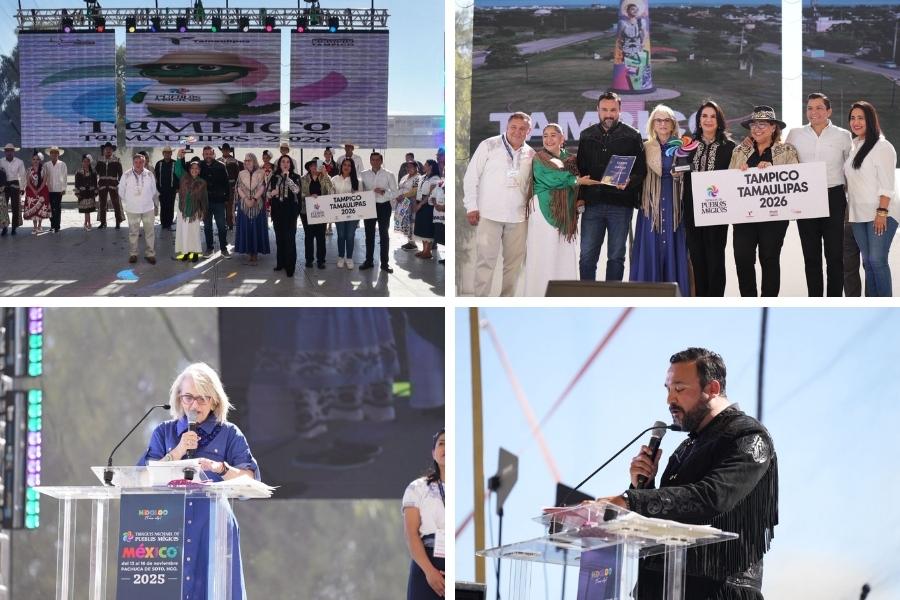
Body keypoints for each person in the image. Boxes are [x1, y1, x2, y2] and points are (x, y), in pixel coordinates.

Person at [598, 347, 778, 600]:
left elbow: (712, 497)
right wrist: (644, 486)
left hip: (717, 591)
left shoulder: (747, 435)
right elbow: (672, 517)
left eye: (679, 389)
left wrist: (630, 500)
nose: (670, 400)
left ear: (713, 389)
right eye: (668, 389)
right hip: (667, 588)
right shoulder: (686, 447)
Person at [138, 362, 259, 600]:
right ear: (178, 399)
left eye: (202, 399)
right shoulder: (164, 433)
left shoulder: (229, 433)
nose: (194, 405)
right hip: (169, 530)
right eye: (188, 398)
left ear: (214, 400)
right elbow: (142, 479)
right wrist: (178, 451)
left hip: (214, 527)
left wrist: (220, 468)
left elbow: (250, 481)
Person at [785, 93, 852, 296]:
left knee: (834, 256)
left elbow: (851, 169)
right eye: (810, 108)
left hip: (834, 198)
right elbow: (784, 162)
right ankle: (814, 300)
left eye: (819, 108)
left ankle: (833, 301)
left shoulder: (843, 135)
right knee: (811, 256)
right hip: (806, 199)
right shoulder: (795, 134)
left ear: (829, 111)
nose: (814, 112)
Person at [576, 92, 647, 282]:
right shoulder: (586, 135)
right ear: (597, 110)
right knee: (587, 257)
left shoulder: (633, 136)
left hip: (620, 205)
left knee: (616, 257)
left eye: (613, 110)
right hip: (593, 205)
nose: (609, 114)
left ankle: (611, 299)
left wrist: (629, 181)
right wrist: (580, 198)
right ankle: (588, 300)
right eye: (605, 110)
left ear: (620, 110)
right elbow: (580, 170)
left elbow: (641, 171)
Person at [729, 106, 799, 297]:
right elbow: (728, 183)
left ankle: (768, 304)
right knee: (743, 259)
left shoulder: (786, 150)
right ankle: (749, 302)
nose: (757, 128)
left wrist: (773, 169)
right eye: (753, 124)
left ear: (773, 127)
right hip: (744, 218)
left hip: (774, 218)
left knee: (769, 258)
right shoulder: (739, 151)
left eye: (762, 124)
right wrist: (738, 172)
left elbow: (796, 180)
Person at [463, 112, 535, 295]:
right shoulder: (489, 145)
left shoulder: (531, 154)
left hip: (518, 218)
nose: (517, 132)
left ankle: (507, 301)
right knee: (485, 262)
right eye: (514, 127)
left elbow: (532, 186)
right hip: (489, 215)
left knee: (513, 266)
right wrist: (471, 206)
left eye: (522, 129)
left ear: (529, 131)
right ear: (506, 127)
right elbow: (471, 177)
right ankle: (480, 303)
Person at [524, 123, 600, 295]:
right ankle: (539, 294)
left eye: (553, 135)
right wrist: (577, 181)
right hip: (544, 212)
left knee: (563, 255)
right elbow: (551, 179)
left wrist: (580, 195)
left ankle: (563, 295)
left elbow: (579, 184)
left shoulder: (572, 159)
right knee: (544, 254)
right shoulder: (539, 159)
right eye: (545, 135)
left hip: (566, 215)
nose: (548, 139)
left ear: (562, 138)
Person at [630, 104, 690, 294]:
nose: (663, 124)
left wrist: (681, 177)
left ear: (673, 124)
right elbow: (636, 174)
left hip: (674, 204)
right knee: (650, 248)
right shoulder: (644, 147)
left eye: (667, 120)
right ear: (653, 124)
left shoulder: (683, 146)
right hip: (650, 205)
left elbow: (692, 173)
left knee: (674, 246)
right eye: (659, 120)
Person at [844, 100, 897, 297]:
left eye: (861, 118)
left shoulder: (882, 146)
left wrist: (881, 213)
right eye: (852, 118)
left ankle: (884, 305)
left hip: (881, 212)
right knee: (867, 262)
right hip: (858, 214)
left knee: (877, 260)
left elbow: (887, 184)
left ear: (871, 120)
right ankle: (871, 303)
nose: (856, 122)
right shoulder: (855, 146)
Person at [682, 100, 735, 297]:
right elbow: (681, 170)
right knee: (697, 258)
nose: (708, 120)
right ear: (698, 120)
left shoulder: (729, 147)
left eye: (713, 116)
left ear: (719, 120)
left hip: (717, 211)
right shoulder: (688, 145)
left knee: (715, 259)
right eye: (704, 116)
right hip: (692, 209)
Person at [402, 429, 446, 600]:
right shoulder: (417, 487)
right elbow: (411, 534)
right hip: (427, 562)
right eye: (441, 443)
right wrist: (430, 572)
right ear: (433, 453)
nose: (445, 448)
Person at [360, 152, 398, 273]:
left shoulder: (389, 174)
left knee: (384, 235)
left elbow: (395, 193)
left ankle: (385, 264)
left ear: (381, 161)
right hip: (369, 206)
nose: (375, 162)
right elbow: (360, 191)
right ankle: (369, 261)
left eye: (377, 160)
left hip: (384, 206)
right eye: (373, 160)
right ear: (370, 161)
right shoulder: (363, 174)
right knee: (369, 235)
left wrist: (384, 193)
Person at [119, 154, 159, 264]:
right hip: (132, 209)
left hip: (147, 209)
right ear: (133, 162)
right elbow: (121, 191)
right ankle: (133, 254)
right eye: (136, 162)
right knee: (133, 232)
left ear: (144, 163)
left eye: (141, 162)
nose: (138, 164)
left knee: (150, 232)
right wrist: (131, 201)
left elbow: (153, 190)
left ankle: (150, 254)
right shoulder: (126, 175)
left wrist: (145, 200)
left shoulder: (149, 174)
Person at [268, 154, 302, 277]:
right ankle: (280, 263)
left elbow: (297, 190)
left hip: (290, 212)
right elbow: (267, 194)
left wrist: (287, 179)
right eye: (283, 162)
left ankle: (290, 267)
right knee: (279, 239)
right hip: (277, 212)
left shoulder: (295, 177)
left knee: (289, 240)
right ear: (279, 164)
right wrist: (272, 193)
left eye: (288, 162)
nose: (285, 164)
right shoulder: (273, 177)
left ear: (291, 164)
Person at [235, 152, 270, 266]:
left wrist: (254, 199)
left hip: (257, 205)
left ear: (254, 161)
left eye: (249, 160)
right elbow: (238, 188)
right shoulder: (241, 173)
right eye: (245, 160)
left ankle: (255, 252)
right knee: (246, 228)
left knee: (256, 228)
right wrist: (245, 199)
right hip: (244, 205)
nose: (246, 162)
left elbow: (263, 187)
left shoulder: (261, 172)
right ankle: (248, 251)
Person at [298, 158, 333, 268]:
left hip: (322, 211)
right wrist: (308, 197)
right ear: (309, 167)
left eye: (317, 165)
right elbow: (298, 194)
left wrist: (325, 175)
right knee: (309, 236)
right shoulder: (302, 179)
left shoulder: (325, 178)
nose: (315, 168)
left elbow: (331, 191)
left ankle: (321, 260)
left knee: (321, 236)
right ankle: (309, 260)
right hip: (306, 211)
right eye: (312, 165)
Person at [173, 151, 207, 262]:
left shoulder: (202, 182)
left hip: (195, 211)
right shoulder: (183, 177)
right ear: (189, 169)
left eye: (197, 168)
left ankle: (195, 253)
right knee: (183, 232)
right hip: (182, 210)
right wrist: (179, 157)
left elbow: (204, 198)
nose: (194, 170)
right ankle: (186, 252)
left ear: (200, 170)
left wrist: (202, 211)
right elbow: (177, 169)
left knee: (194, 233)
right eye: (192, 168)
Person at [199, 146, 230, 258]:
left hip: (219, 201)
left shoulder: (221, 166)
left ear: (214, 154)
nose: (208, 156)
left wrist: (226, 199)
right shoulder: (199, 165)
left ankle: (223, 249)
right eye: (206, 154)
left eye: (210, 153)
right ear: (203, 155)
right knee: (207, 227)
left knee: (222, 226)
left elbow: (226, 184)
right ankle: (209, 249)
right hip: (205, 202)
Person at [331, 158, 361, 269]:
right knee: (341, 235)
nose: (346, 167)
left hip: (353, 214)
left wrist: (356, 193)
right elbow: (330, 195)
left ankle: (349, 258)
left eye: (349, 165)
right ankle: (340, 257)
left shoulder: (357, 181)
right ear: (341, 166)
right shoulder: (334, 179)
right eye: (344, 164)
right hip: (338, 213)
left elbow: (361, 198)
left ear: (352, 168)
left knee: (350, 235)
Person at [414, 160, 442, 261]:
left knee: (427, 228)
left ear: (430, 166)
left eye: (425, 164)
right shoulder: (423, 177)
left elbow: (430, 194)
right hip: (420, 203)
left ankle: (428, 251)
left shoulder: (435, 178)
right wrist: (417, 203)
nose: (423, 166)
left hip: (428, 206)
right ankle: (424, 250)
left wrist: (421, 204)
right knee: (421, 228)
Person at [96, 142, 124, 229]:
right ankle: (103, 222)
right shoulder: (100, 160)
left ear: (112, 151)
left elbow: (120, 174)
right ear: (104, 151)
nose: (108, 151)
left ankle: (118, 222)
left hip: (113, 184)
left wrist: (119, 184)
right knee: (102, 204)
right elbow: (96, 172)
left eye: (110, 149)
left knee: (116, 204)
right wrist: (96, 183)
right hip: (102, 184)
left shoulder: (117, 160)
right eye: (106, 149)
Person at [1, 143, 25, 236]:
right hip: (4, 185)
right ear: (5, 152)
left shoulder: (19, 162)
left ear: (13, 152)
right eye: (7, 151)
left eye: (11, 150)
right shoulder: (1, 161)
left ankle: (14, 227)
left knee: (15, 207)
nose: (9, 152)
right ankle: (4, 227)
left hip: (15, 185)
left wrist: (22, 188)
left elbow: (22, 176)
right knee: (3, 208)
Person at [395, 161, 420, 251]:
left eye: (410, 166)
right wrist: (398, 196)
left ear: (416, 167)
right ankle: (409, 240)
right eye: (407, 167)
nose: (408, 168)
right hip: (402, 202)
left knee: (411, 222)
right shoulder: (405, 177)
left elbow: (414, 191)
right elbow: (400, 187)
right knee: (404, 222)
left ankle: (412, 242)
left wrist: (403, 196)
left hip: (411, 201)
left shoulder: (418, 178)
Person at [155, 146, 180, 232]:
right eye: (165, 152)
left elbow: (178, 176)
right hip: (161, 189)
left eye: (169, 153)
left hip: (172, 189)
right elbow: (156, 177)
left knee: (170, 206)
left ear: (171, 154)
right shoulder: (159, 163)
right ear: (163, 154)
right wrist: (157, 188)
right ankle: (163, 223)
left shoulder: (175, 163)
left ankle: (169, 223)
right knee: (163, 206)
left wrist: (178, 187)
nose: (167, 154)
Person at [42, 147, 67, 233]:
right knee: (50, 208)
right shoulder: (46, 165)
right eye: (52, 153)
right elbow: (43, 177)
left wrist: (64, 188)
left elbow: (64, 177)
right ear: (50, 154)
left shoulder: (62, 164)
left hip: (58, 189)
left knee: (57, 207)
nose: (54, 154)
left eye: (56, 153)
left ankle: (57, 226)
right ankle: (52, 224)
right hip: (49, 189)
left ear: (58, 154)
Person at [23, 152, 49, 234]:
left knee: (41, 208)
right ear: (31, 160)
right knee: (32, 207)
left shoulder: (44, 170)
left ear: (40, 160)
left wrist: (39, 190)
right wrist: (34, 190)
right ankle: (34, 226)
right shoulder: (29, 170)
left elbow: (44, 181)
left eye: (37, 159)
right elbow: (28, 182)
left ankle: (39, 226)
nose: (35, 161)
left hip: (42, 191)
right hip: (31, 191)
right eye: (34, 159)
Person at [219, 143, 242, 231]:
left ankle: (230, 223)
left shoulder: (234, 161)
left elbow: (238, 175)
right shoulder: (218, 160)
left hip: (231, 186)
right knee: (221, 205)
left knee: (230, 206)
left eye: (227, 149)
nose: (225, 151)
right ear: (222, 150)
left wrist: (236, 186)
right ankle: (222, 223)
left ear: (229, 150)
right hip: (220, 186)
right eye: (224, 149)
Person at [74, 154, 98, 230]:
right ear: (82, 162)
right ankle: (87, 223)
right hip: (83, 193)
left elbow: (95, 183)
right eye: (84, 161)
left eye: (87, 161)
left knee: (88, 210)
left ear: (89, 162)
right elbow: (77, 184)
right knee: (86, 210)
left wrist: (95, 192)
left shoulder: (93, 172)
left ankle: (86, 223)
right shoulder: (78, 172)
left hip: (90, 193)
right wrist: (77, 193)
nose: (86, 163)